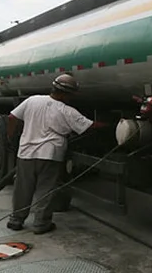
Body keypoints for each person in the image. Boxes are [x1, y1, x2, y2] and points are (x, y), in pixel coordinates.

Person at [6, 74, 101, 234]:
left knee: (23, 188)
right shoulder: (67, 111)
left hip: (26, 153)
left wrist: (10, 138)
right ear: (66, 94)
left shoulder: (32, 100)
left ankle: (16, 220)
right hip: (50, 155)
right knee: (46, 189)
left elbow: (12, 117)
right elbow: (89, 126)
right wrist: (114, 125)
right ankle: (41, 224)